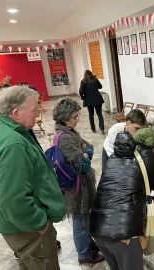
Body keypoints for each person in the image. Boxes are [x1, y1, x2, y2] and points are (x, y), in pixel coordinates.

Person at [0, 86, 66, 270]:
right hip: (29, 231)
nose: (38, 116)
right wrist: (39, 223)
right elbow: (13, 200)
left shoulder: (0, 129)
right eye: (34, 110)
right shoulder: (12, 143)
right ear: (16, 112)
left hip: (18, 228)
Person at [90, 128, 154, 270]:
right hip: (123, 231)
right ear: (152, 145)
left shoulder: (115, 157)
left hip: (97, 226)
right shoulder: (149, 156)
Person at [52, 98, 104, 265]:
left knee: (84, 217)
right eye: (75, 116)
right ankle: (84, 255)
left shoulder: (69, 131)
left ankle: (89, 244)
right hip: (76, 187)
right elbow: (82, 165)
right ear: (64, 117)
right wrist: (85, 154)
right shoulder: (65, 138)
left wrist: (85, 152)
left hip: (80, 184)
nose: (77, 119)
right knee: (80, 220)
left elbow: (89, 147)